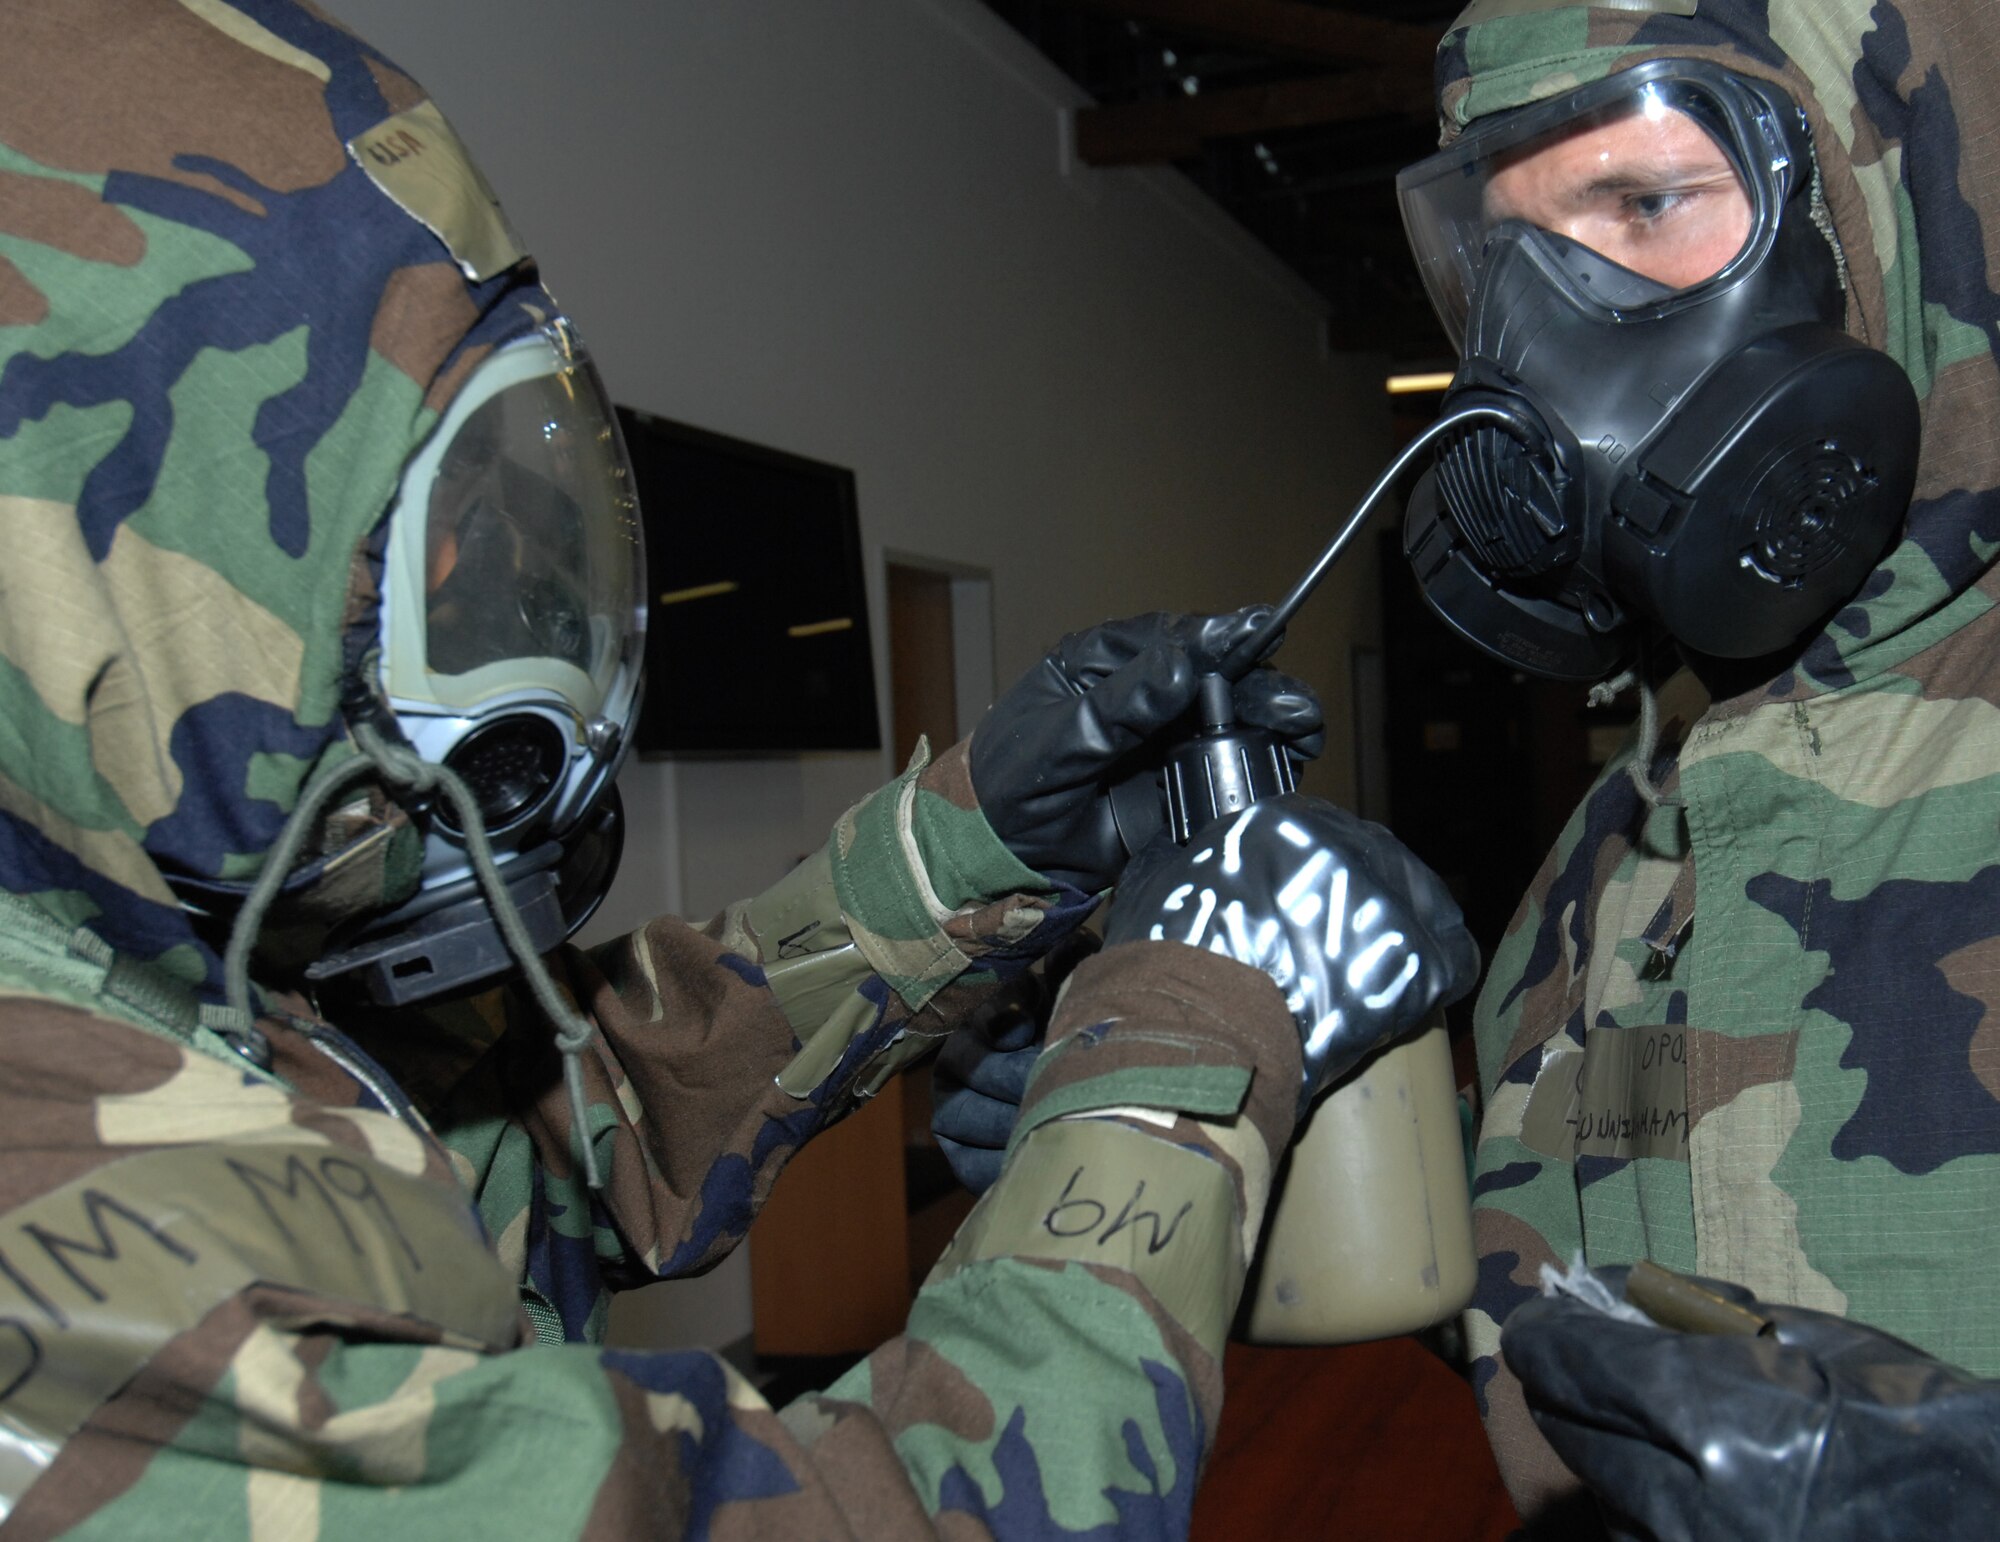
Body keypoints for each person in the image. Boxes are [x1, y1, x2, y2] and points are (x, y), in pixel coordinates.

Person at [0, 3, 1478, 1535]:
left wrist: (967, 845)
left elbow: (566, 1142)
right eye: (379, 551)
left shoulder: (167, 960)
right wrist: (1181, 1029)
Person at [1394, 0, 2000, 1529]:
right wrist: (1299, 1157)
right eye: (1502, 256)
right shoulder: (1604, 865)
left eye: (1646, 203)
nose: (1541, 344)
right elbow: (1565, 1284)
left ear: (1893, 200)